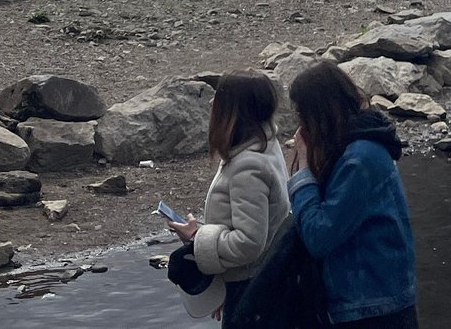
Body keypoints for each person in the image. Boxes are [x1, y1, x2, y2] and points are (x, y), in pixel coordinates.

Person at [285, 62, 418, 329]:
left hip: (372, 307)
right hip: (373, 300)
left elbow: (319, 236)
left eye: (302, 114)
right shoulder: (357, 147)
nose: (300, 124)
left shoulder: (360, 159)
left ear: (318, 113)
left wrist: (302, 171)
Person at [165, 72, 291, 317]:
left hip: (251, 292)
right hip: (259, 282)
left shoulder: (248, 166)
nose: (212, 104)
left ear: (235, 111)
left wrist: (198, 238)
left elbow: (249, 242)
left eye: (219, 98)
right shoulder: (264, 145)